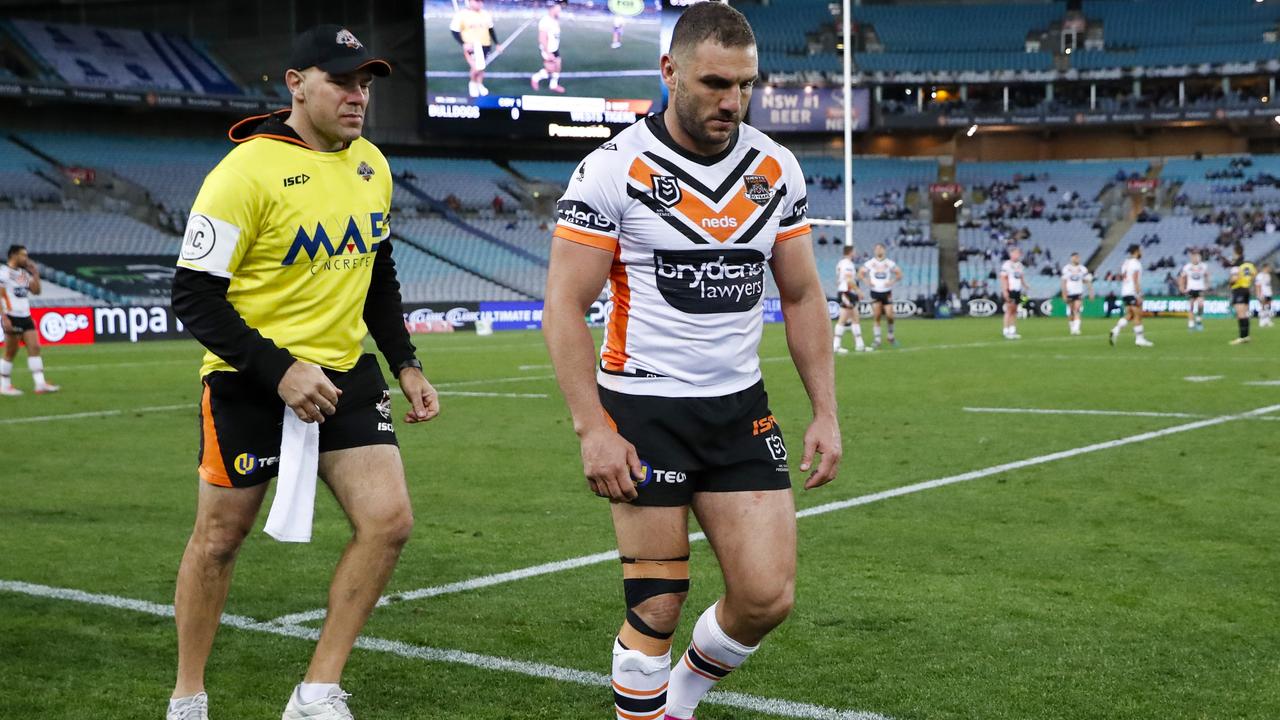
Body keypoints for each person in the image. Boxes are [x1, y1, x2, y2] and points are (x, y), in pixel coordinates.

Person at [541, 5, 841, 719]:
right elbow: (563, 307)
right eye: (714, 82)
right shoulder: (611, 171)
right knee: (656, 606)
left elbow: (800, 295)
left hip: (739, 409)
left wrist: (826, 411)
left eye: (745, 85)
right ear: (669, 72)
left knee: (767, 597)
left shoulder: (776, 167)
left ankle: (676, 703)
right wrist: (593, 428)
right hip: (644, 413)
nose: (732, 101)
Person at [165, 26, 439, 720]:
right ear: (296, 84)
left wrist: (404, 362)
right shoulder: (242, 172)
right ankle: (188, 695)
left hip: (346, 375)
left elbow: (379, 274)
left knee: (389, 522)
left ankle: (317, 691)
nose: (358, 96)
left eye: (367, 84)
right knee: (220, 541)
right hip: (249, 379)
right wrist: (280, 368)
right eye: (343, 82)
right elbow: (193, 295)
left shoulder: (372, 164)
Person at [1, 244, 59, 396]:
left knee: (35, 347)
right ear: (13, 255)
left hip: (26, 316)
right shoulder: (4, 273)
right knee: (11, 352)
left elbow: (36, 291)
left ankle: (40, 384)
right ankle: (4, 385)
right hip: (11, 316)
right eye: (23, 255)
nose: (26, 259)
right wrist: (4, 317)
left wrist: (35, 274)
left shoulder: (22, 274)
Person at [1109, 243, 1154, 347]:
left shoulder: (1126, 262)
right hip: (1132, 292)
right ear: (1136, 251)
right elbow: (1135, 280)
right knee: (1138, 315)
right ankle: (1140, 339)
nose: (1141, 252)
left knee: (1130, 315)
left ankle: (1115, 330)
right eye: (1140, 250)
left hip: (1125, 291)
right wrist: (1139, 294)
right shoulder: (1136, 263)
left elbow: (1122, 276)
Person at [859, 243, 902, 348]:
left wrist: (892, 282)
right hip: (875, 291)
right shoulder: (870, 263)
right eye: (877, 249)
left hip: (887, 292)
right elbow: (860, 273)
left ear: (884, 250)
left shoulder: (889, 263)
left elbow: (899, 274)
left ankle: (890, 336)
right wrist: (866, 281)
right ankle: (877, 339)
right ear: (874, 251)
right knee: (877, 315)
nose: (879, 251)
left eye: (880, 249)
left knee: (890, 315)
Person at [450, 0, 496, 97]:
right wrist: (463, 43)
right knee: (476, 67)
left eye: (481, 1)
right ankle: (472, 84)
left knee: (482, 67)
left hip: (486, 44)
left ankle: (480, 84)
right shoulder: (462, 14)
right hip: (472, 46)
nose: (479, 3)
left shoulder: (486, 14)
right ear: (470, 2)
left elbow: (491, 29)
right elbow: (454, 30)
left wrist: (497, 43)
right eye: (476, 1)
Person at [833, 245, 866, 354]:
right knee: (843, 318)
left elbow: (838, 279)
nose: (855, 253)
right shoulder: (847, 264)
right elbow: (848, 279)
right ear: (850, 252)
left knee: (855, 317)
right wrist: (858, 291)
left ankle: (859, 345)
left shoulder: (841, 263)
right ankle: (836, 345)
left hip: (846, 292)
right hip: (847, 292)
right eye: (854, 251)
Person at [531, 1, 565, 93]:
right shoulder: (545, 21)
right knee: (551, 68)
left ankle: (553, 85)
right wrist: (547, 52)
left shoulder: (555, 19)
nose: (560, 10)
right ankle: (535, 78)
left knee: (558, 66)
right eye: (558, 8)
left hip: (554, 48)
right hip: (548, 49)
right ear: (553, 8)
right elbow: (542, 38)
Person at [1227, 245, 1257, 345]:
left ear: (1235, 253)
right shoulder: (1248, 264)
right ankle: (1246, 336)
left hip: (1238, 289)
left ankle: (1241, 337)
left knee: (1240, 314)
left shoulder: (1236, 264)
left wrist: (1230, 283)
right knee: (1245, 313)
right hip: (1246, 289)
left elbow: (1234, 278)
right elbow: (1253, 275)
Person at [1060, 251, 1093, 336]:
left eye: (1078, 257)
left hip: (1078, 292)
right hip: (1069, 292)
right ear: (1071, 258)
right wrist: (1064, 294)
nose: (1077, 259)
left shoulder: (1083, 269)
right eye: (1075, 257)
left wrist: (1091, 292)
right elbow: (1063, 281)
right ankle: (1072, 328)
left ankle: (1076, 329)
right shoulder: (1066, 268)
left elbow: (1087, 280)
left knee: (1077, 310)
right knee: (1071, 312)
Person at [1178, 250, 1209, 332]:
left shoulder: (1203, 266)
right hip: (1190, 289)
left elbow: (1207, 275)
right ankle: (1191, 324)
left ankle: (1198, 320)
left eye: (1197, 257)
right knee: (1191, 306)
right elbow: (1182, 277)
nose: (1195, 259)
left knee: (1200, 305)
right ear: (1191, 258)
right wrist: (1181, 287)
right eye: (1194, 257)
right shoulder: (1187, 267)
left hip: (1200, 288)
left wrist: (1207, 284)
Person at [999, 246, 1026, 340]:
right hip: (1010, 290)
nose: (1017, 255)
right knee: (1009, 310)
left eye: (1018, 253)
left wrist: (1025, 285)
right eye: (1016, 253)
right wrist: (1005, 291)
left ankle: (1012, 330)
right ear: (1011, 254)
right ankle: (1006, 330)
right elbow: (1003, 278)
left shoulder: (1020, 265)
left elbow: (1021, 276)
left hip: (1017, 290)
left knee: (1015, 310)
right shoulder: (1006, 265)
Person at [1256, 262, 1273, 328]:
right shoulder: (1260, 275)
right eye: (1268, 267)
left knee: (1268, 306)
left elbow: (1268, 285)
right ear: (1265, 268)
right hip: (1263, 293)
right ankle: (1261, 321)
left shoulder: (1268, 275)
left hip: (1268, 293)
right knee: (1262, 307)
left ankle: (1267, 320)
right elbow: (1258, 285)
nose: (1269, 269)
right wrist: (1259, 294)